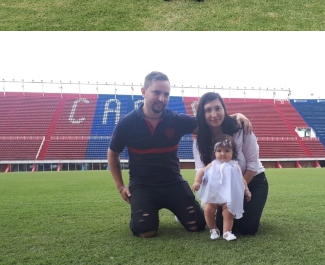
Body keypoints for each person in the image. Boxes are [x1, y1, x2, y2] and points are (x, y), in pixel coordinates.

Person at [107, 72, 252, 238]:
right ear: (144, 91)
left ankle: (179, 210)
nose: (161, 98)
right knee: (146, 230)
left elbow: (210, 120)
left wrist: (235, 116)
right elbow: (113, 154)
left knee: (197, 225)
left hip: (173, 182)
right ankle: (141, 212)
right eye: (156, 92)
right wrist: (121, 187)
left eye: (166, 94)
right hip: (142, 185)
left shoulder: (175, 120)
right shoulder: (127, 123)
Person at [193, 92, 269, 236]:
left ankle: (251, 214)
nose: (214, 114)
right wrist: (218, 193)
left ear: (224, 109)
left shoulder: (241, 128)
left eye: (218, 108)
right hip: (222, 185)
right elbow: (201, 170)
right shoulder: (199, 141)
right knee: (225, 227)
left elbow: (252, 165)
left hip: (251, 181)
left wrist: (235, 191)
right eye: (208, 110)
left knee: (247, 229)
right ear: (202, 114)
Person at [192, 136, 251, 241]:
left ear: (233, 152)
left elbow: (242, 180)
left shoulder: (235, 166)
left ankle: (227, 232)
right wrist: (197, 182)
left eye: (227, 151)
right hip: (213, 194)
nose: (223, 154)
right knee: (208, 210)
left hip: (228, 196)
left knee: (228, 212)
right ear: (214, 152)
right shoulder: (212, 164)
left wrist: (246, 190)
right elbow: (201, 172)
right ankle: (213, 229)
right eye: (219, 151)